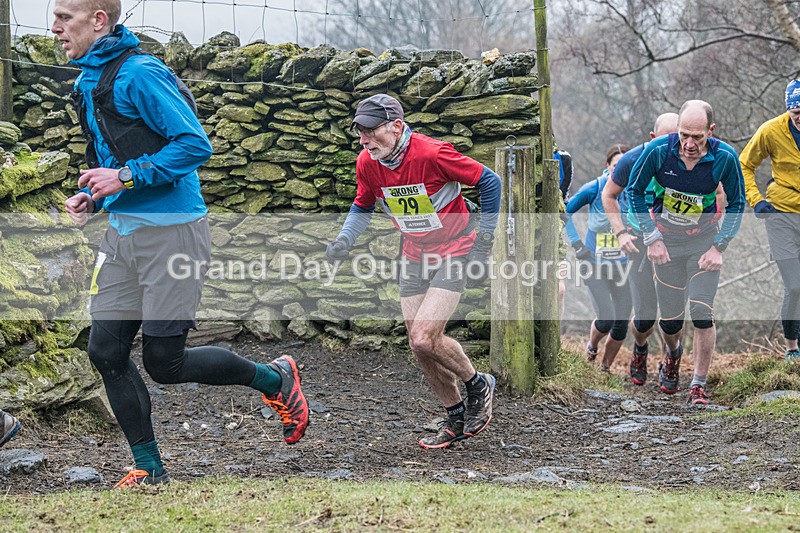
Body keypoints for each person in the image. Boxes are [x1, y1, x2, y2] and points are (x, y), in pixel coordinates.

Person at [54, 0, 308, 488]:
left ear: (99, 20)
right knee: (105, 351)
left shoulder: (140, 74)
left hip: (173, 236)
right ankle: (148, 467)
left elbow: (194, 145)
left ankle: (275, 378)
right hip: (122, 236)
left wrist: (125, 177)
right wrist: (95, 195)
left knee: (164, 363)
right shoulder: (89, 80)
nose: (55, 27)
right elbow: (116, 155)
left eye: (65, 17)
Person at [325, 94, 501, 449]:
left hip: (455, 248)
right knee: (420, 346)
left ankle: (478, 384)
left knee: (424, 336)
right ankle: (454, 415)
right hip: (414, 253)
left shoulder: (432, 154)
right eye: (359, 132)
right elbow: (362, 205)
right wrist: (344, 240)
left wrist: (484, 239)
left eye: (371, 131)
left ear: (396, 126)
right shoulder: (367, 162)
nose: (363, 140)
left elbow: (490, 181)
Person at [627, 100, 745, 405]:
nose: (689, 144)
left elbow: (737, 203)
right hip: (666, 241)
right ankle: (673, 353)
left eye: (697, 137)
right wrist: (651, 236)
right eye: (684, 135)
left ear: (711, 131)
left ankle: (698, 386)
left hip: (703, 241)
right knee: (671, 322)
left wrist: (720, 246)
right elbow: (633, 192)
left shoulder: (724, 157)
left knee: (702, 312)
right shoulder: (658, 151)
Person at [602, 113, 679, 384]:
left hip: (674, 242)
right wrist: (621, 233)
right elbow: (608, 195)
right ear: (652, 137)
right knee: (645, 315)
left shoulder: (688, 160)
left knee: (673, 313)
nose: (672, 145)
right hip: (638, 242)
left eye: (677, 138)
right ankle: (640, 347)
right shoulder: (632, 159)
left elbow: (714, 193)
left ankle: (672, 357)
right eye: (665, 139)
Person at [739, 79, 800, 362]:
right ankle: (792, 348)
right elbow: (744, 164)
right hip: (781, 215)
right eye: (796, 112)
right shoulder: (771, 130)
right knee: (795, 285)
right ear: (788, 109)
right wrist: (757, 200)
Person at [565, 144, 632, 371]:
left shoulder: (634, 189)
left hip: (624, 267)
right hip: (594, 264)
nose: (620, 171)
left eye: (625, 166)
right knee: (606, 319)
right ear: (607, 166)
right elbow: (564, 212)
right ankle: (592, 347)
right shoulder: (594, 188)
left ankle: (604, 370)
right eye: (616, 166)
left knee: (621, 325)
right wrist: (577, 245)